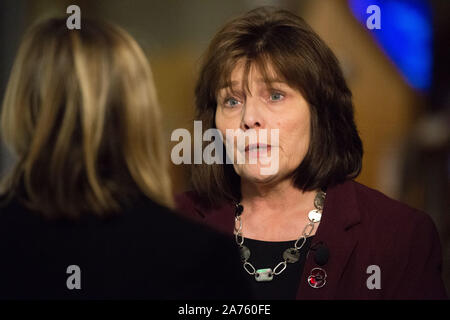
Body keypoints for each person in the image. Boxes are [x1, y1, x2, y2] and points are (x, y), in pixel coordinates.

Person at [176, 7, 448, 299]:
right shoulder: (172, 225)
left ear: (320, 114)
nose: (249, 117)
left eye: (275, 95)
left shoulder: (398, 236)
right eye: (231, 100)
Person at [0, 17, 250, 300]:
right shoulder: (199, 256)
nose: (250, 119)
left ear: (20, 104)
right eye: (231, 100)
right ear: (139, 111)